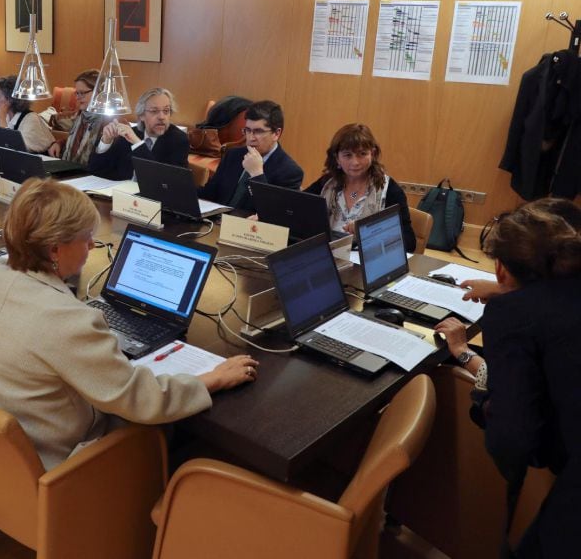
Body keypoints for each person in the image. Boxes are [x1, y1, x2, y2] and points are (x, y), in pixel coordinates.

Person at [0, 178, 258, 470]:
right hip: (54, 466)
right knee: (178, 435)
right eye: (85, 239)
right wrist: (212, 379)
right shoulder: (68, 321)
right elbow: (139, 399)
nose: (92, 245)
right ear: (54, 249)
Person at [434, 198, 581, 557]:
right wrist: (505, 291)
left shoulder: (513, 317)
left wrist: (486, 401)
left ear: (500, 268)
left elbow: (512, 439)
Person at [303, 123, 415, 251]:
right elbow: (297, 209)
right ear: (337, 158)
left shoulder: (390, 191)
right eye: (347, 155)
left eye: (362, 154)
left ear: (372, 154)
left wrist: (367, 233)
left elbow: (409, 243)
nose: (355, 162)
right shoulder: (326, 183)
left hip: (367, 263)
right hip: (326, 256)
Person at [199, 100, 303, 211]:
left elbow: (273, 213)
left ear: (276, 134)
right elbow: (209, 192)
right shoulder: (233, 155)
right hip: (218, 222)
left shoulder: (289, 172)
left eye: (258, 131)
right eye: (248, 130)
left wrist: (257, 175)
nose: (251, 138)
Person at [87, 87, 188, 181]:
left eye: (166, 111)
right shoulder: (130, 134)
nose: (162, 117)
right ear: (141, 116)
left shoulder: (178, 140)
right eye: (154, 111)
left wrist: (137, 143)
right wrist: (106, 142)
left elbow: (160, 179)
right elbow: (96, 170)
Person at [48, 69, 106, 165]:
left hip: (92, 174)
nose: (78, 97)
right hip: (71, 169)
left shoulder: (110, 121)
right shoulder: (81, 115)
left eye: (82, 93)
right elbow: (78, 142)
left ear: (98, 92)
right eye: (77, 93)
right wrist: (59, 143)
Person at [0, 75, 58, 154]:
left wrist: (2, 121)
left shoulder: (31, 119)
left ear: (10, 99)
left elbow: (15, 148)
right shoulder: (6, 117)